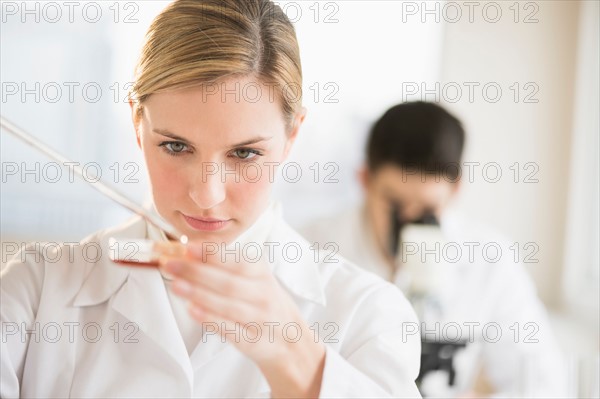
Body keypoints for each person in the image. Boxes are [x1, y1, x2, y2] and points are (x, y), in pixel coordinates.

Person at [0, 1, 422, 398]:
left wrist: (300, 364)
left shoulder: (367, 314)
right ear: (136, 122)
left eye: (244, 154)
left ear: (292, 137)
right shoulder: (35, 292)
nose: (207, 194)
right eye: (176, 147)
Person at [300, 102, 567, 397]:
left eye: (427, 209)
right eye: (396, 206)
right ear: (364, 179)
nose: (409, 225)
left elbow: (542, 383)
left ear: (456, 189)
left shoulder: (490, 261)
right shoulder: (311, 250)